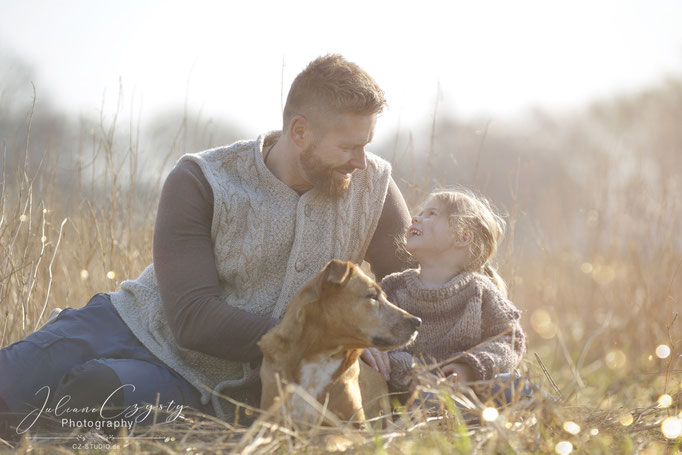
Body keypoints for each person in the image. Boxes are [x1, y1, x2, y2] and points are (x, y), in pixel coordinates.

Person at [0, 54, 412, 437]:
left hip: (199, 385)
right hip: (121, 325)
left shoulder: (373, 188)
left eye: (366, 144)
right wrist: (324, 342)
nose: (361, 162)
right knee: (7, 387)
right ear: (300, 131)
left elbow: (414, 289)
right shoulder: (202, 179)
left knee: (94, 396)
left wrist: (397, 355)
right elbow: (193, 318)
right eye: (347, 146)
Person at [362, 189, 527, 406]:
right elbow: (379, 342)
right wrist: (410, 373)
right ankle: (458, 423)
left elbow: (510, 338)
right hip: (416, 396)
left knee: (517, 386)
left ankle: (547, 415)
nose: (415, 218)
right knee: (432, 401)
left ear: (462, 237)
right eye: (420, 213)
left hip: (471, 391)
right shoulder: (393, 289)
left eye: (431, 213)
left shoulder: (479, 290)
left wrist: (470, 368)